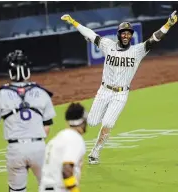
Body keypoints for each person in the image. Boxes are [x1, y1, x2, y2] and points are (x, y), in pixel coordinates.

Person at [61, 11, 177, 164]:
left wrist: (168, 24)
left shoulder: (137, 51)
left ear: (131, 36)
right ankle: (83, 115)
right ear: (119, 34)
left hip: (120, 95)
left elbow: (154, 39)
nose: (126, 35)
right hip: (104, 91)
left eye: (128, 33)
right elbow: (90, 34)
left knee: (108, 123)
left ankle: (95, 152)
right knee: (92, 122)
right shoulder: (107, 45)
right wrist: (73, 22)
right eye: (123, 33)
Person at [0, 50, 56, 191]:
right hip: (38, 147)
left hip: (15, 150)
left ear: (10, 72)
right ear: (27, 71)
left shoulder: (1, 94)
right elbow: (47, 126)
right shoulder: (42, 92)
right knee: (49, 188)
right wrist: (34, 146)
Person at [39, 103, 87, 192]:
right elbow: (67, 169)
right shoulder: (75, 138)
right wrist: (74, 189)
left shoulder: (58, 138)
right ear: (83, 121)